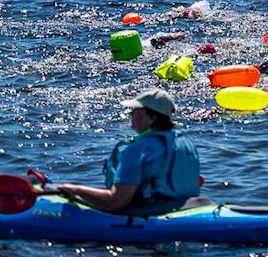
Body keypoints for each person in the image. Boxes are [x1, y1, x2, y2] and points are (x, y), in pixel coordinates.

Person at [44, 89, 201, 212]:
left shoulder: (138, 149)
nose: (130, 114)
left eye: (136, 111)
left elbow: (116, 202)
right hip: (184, 208)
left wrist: (74, 189)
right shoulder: (187, 144)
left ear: (152, 118)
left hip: (149, 212)